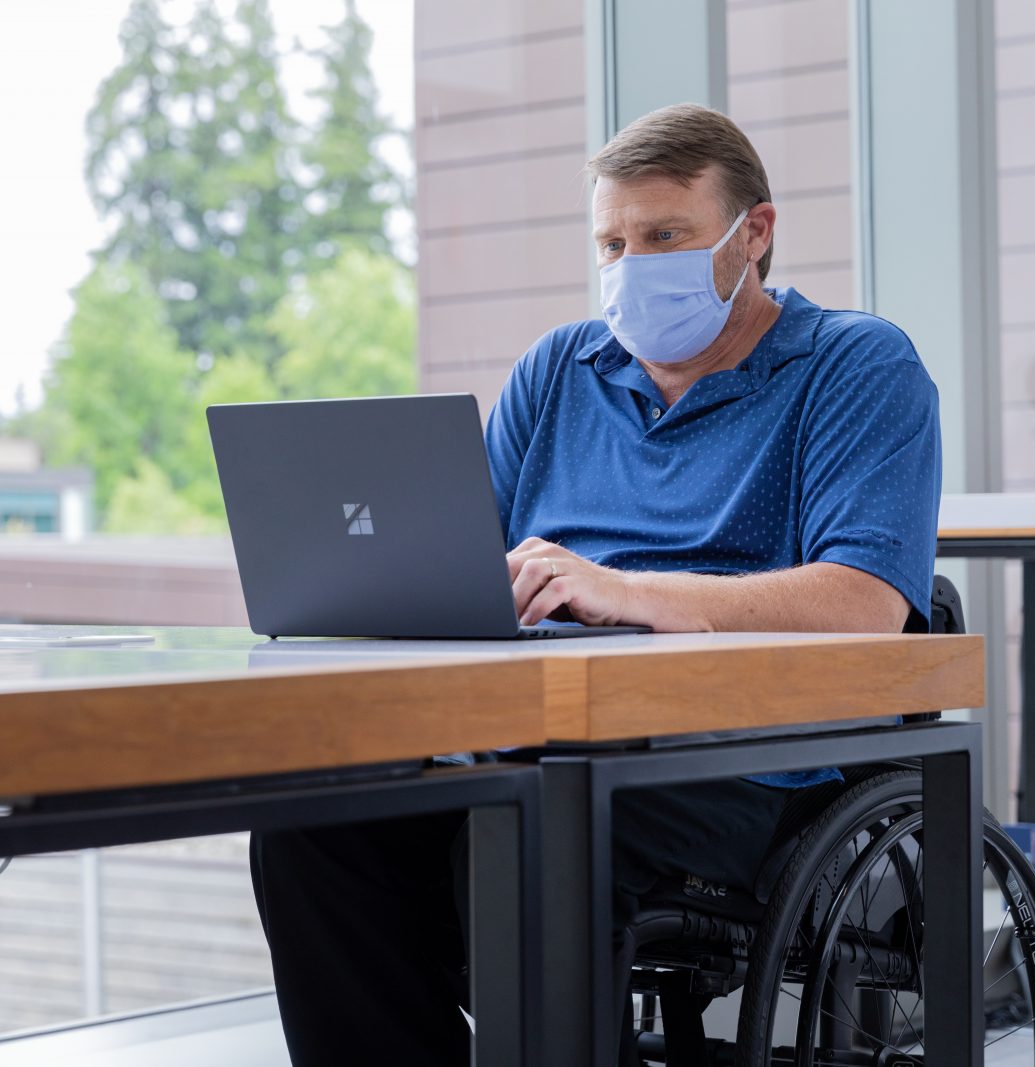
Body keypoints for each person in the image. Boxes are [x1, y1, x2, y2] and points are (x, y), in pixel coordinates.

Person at [248, 103, 942, 1065]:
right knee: (314, 824)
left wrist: (637, 592)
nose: (631, 265)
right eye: (613, 242)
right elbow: (460, 575)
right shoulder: (558, 371)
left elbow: (866, 605)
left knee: (529, 828)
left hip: (738, 761)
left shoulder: (855, 367)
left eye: (665, 236)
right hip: (527, 734)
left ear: (756, 234)